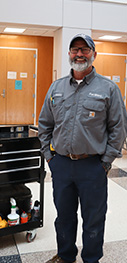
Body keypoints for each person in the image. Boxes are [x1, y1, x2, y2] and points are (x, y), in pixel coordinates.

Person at [38, 33, 127, 263]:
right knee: (64, 217)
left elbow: (118, 128)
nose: (79, 54)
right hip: (62, 165)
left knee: (94, 219)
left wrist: (106, 162)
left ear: (93, 55)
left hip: (92, 166)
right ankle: (66, 256)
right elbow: (44, 124)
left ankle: (91, 259)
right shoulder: (56, 88)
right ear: (69, 54)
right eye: (75, 49)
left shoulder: (108, 89)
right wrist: (49, 157)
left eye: (84, 50)